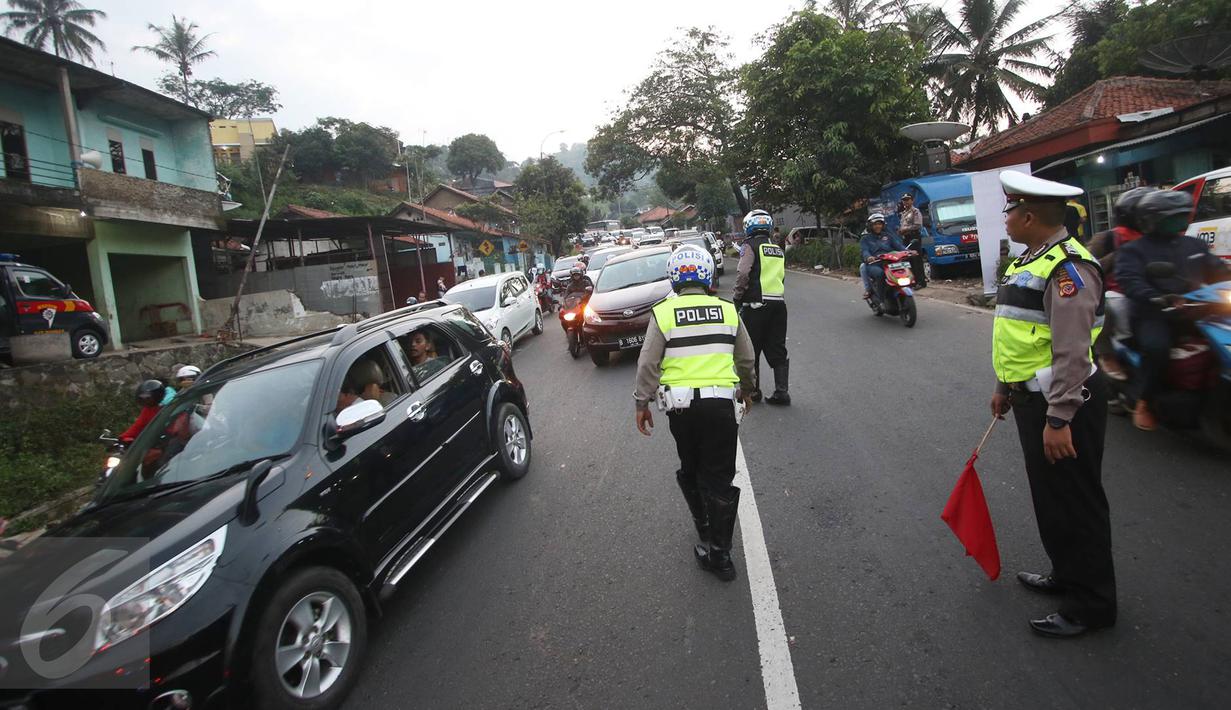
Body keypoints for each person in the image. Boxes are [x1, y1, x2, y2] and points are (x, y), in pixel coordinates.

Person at [988, 171, 1114, 639]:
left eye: (1009, 210)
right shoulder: (1030, 261)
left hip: (1064, 402)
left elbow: (1072, 351)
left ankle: (1092, 605)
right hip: (1031, 397)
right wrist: (1004, 385)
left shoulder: (1069, 270)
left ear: (1028, 215)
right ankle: (1067, 573)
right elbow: (1019, 333)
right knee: (1050, 496)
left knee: (1076, 501)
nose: (1005, 218)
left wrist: (1060, 417)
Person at [633, 245, 756, 581]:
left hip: (682, 411)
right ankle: (721, 555)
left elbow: (647, 364)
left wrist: (642, 404)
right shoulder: (728, 310)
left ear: (675, 277)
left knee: (691, 466)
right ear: (707, 275)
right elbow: (746, 360)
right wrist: (748, 391)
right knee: (719, 476)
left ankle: (703, 523)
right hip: (720, 408)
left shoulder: (664, 314)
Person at [1115, 190, 1229, 431]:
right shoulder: (1134, 250)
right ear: (1151, 220)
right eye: (1172, 217)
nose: (1180, 221)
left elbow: (1219, 270)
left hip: (1201, 310)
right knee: (1157, 348)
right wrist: (1156, 297)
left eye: (1182, 216)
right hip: (1155, 314)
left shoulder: (1194, 245)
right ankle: (1144, 402)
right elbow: (1129, 280)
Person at [1087, 187, 1154, 380]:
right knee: (1107, 308)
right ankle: (1107, 354)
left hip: (1152, 291)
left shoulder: (1158, 238)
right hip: (1116, 292)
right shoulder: (1108, 238)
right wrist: (1118, 257)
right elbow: (1087, 267)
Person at [733, 209, 790, 405]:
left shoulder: (749, 246)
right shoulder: (776, 248)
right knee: (777, 347)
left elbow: (743, 273)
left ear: (748, 226)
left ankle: (753, 392)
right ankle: (782, 392)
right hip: (778, 305)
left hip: (755, 306)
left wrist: (737, 296)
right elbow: (781, 276)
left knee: (751, 349)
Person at [859, 213, 908, 300]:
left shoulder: (888, 236)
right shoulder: (865, 239)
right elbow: (865, 250)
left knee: (903, 270)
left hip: (891, 262)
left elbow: (899, 246)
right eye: (875, 224)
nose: (878, 226)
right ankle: (880, 299)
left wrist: (908, 251)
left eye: (880, 224)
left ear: (883, 225)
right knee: (880, 274)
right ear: (871, 226)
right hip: (875, 263)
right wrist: (868, 257)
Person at [120, 379, 176, 444]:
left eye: (148, 398)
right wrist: (123, 438)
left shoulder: (170, 407)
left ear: (157, 396)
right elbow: (137, 426)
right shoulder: (148, 409)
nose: (145, 401)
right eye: (142, 398)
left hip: (174, 440)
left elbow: (176, 429)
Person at [897, 193, 928, 288]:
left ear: (912, 200)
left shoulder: (915, 211)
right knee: (908, 260)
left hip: (914, 237)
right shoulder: (903, 213)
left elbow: (918, 225)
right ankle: (913, 281)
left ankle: (921, 282)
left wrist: (906, 229)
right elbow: (903, 225)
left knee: (916, 259)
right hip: (905, 238)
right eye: (904, 200)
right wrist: (900, 231)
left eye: (907, 199)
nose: (905, 201)